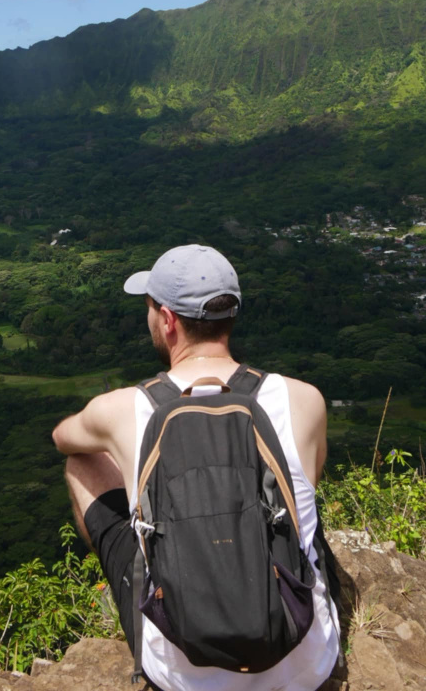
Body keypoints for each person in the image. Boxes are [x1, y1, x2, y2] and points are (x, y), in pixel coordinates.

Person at [52, 244, 339, 691]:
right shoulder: (305, 399)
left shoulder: (123, 408)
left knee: (80, 464)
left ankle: (144, 585)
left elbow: (62, 438)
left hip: (181, 675)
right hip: (304, 664)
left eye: (150, 308)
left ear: (167, 320)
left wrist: (125, 453)